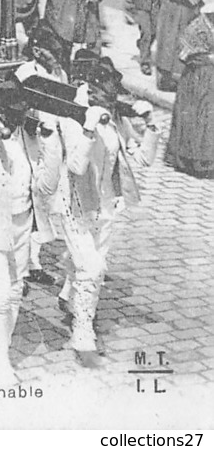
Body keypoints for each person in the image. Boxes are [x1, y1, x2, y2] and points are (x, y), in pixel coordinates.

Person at [56, 57, 159, 367]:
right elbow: (76, 166)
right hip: (75, 205)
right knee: (92, 268)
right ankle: (82, 332)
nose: (109, 99)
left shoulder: (113, 116)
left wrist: (151, 125)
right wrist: (88, 129)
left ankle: (70, 293)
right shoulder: (71, 116)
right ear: (89, 89)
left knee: (93, 267)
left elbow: (141, 159)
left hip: (107, 204)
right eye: (104, 93)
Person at [0, 78, 63, 384]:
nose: (18, 117)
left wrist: (51, 142)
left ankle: (0, 349)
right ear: (0, 109)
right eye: (13, 111)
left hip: (23, 224)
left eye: (22, 111)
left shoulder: (28, 138)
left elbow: (47, 185)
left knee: (17, 289)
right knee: (0, 294)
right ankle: (0, 359)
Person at [165, 0, 214, 178]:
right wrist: (208, 58)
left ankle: (207, 159)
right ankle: (190, 159)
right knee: (195, 116)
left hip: (210, 79)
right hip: (196, 79)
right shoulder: (196, 27)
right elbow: (186, 54)